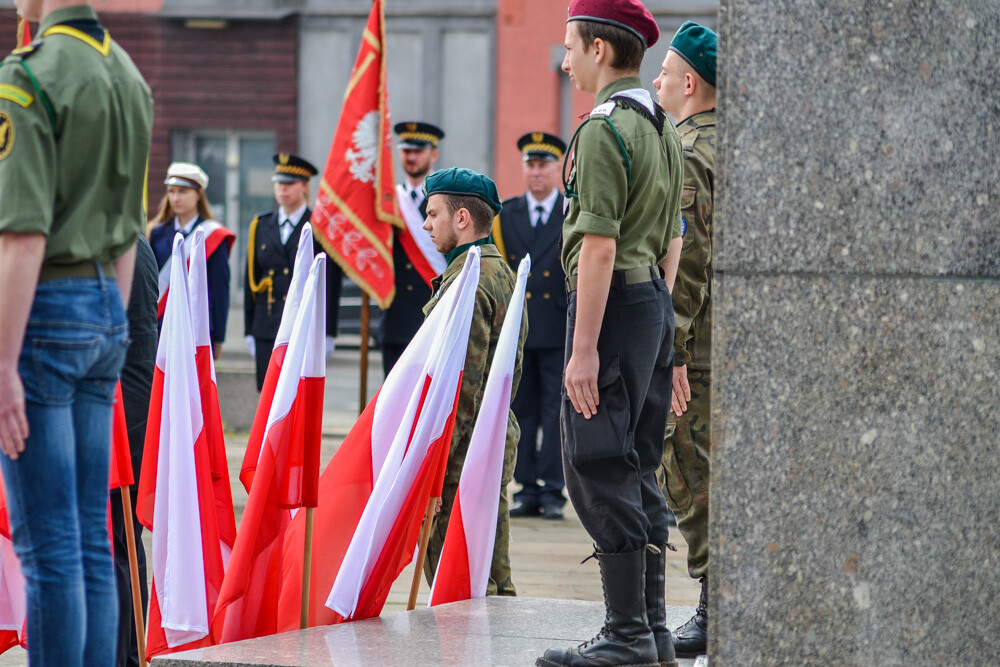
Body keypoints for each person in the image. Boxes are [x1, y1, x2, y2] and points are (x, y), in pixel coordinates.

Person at [0, 0, 153, 663]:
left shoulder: (27, 76)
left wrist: (3, 360)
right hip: (104, 307)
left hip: (44, 310)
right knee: (91, 535)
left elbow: (22, 237)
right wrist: (110, 327)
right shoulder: (128, 75)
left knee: (49, 545)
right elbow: (128, 233)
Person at [537, 1, 684, 665]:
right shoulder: (661, 125)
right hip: (650, 299)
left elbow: (596, 246)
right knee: (637, 463)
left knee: (596, 460)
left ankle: (627, 634)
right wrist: (660, 314)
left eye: (569, 46)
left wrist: (584, 348)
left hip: (612, 305)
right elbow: (673, 238)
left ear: (598, 49)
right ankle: (648, 631)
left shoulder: (603, 129)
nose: (564, 60)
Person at [418, 167, 527, 597]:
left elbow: (462, 386)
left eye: (433, 213)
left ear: (462, 218)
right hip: (490, 438)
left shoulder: (470, 281)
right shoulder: (499, 269)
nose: (427, 224)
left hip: (461, 453)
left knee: (456, 586)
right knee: (490, 578)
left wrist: (435, 464)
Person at [652, 20, 718, 660]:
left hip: (695, 347)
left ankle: (714, 601)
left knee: (688, 465)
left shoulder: (690, 149)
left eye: (666, 73)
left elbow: (688, 260)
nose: (658, 81)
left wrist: (670, 352)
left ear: (690, 82)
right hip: (729, 338)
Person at [494, 132, 569, 520]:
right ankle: (525, 487)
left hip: (558, 327)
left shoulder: (571, 212)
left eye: (544, 164)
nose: (537, 171)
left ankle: (553, 489)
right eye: (531, 164)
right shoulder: (507, 215)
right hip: (521, 328)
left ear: (558, 168)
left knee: (557, 410)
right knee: (521, 408)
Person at [245, 153, 343, 390]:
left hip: (305, 326)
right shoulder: (261, 225)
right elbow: (251, 280)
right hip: (268, 324)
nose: (282, 190)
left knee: (299, 397)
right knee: (268, 397)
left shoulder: (319, 227)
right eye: (279, 183)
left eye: (289, 184)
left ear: (305, 186)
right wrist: (250, 329)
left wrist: (328, 331)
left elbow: (330, 284)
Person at [110, 235, 158, 667]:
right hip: (124, 403)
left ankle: (125, 651)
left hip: (122, 408)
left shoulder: (119, 240)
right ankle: (125, 648)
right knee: (118, 540)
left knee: (116, 537)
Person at [148, 161, 235, 359]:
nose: (175, 198)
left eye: (183, 191)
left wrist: (218, 337)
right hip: (162, 325)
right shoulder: (157, 233)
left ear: (199, 194)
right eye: (171, 191)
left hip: (198, 326)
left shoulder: (213, 235)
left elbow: (220, 290)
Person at [381, 121, 446, 376]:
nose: (411, 157)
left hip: (432, 316)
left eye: (418, 151)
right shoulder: (387, 203)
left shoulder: (445, 201)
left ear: (434, 154)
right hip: (395, 319)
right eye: (406, 151)